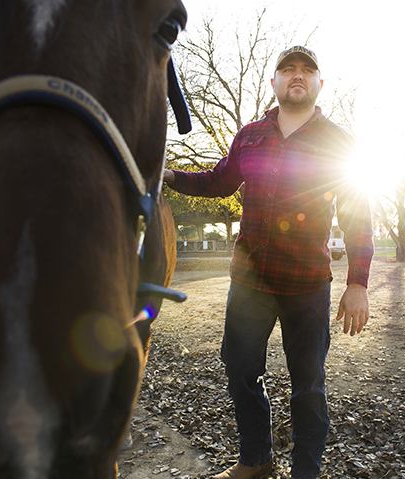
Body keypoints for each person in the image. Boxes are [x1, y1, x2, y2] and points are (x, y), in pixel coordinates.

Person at [163, 45, 374, 479]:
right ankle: (255, 462)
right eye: (287, 69)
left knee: (308, 385)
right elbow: (219, 182)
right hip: (250, 283)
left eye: (307, 70)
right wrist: (167, 175)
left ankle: (306, 472)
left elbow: (357, 216)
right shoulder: (250, 135)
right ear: (274, 82)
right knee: (241, 372)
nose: (297, 75)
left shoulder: (338, 142)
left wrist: (358, 283)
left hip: (307, 285)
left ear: (319, 84)